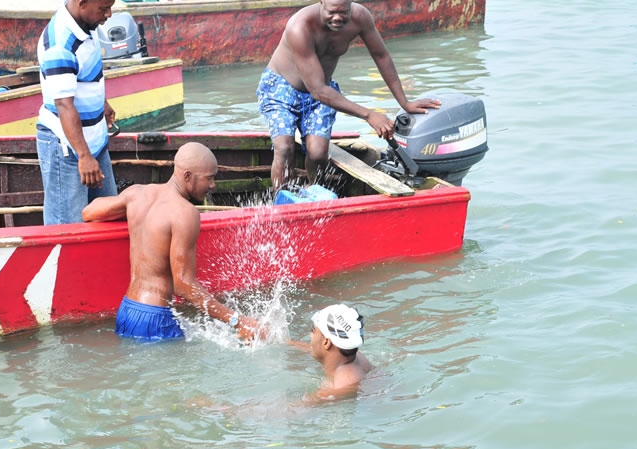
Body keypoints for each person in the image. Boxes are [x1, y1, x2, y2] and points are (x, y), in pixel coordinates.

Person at [82, 142, 262, 342]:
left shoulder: (137, 194)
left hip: (127, 310)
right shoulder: (185, 213)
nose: (213, 185)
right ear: (187, 176)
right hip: (155, 317)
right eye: (209, 178)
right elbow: (183, 285)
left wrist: (134, 214)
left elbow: (89, 212)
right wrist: (237, 320)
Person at [257, 0, 441, 191]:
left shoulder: (361, 17)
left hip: (322, 91)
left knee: (318, 154)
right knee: (284, 148)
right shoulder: (299, 27)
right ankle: (283, 202)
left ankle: (314, 194)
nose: (337, 18)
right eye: (331, 12)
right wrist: (369, 114)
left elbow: (381, 56)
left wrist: (405, 102)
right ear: (321, 3)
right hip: (281, 88)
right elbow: (318, 90)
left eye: (343, 12)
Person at [36, 0, 119, 225]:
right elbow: (64, 104)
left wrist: (102, 102)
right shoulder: (60, 45)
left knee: (109, 215)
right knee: (68, 225)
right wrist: (83, 156)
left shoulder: (87, 25)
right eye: (104, 8)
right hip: (69, 148)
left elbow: (84, 74)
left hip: (94, 141)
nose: (109, 14)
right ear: (82, 3)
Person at [291, 303, 373, 402]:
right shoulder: (354, 357)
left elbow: (296, 409)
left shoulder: (341, 385)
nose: (310, 335)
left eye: (313, 331)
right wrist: (288, 342)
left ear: (326, 342)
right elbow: (315, 348)